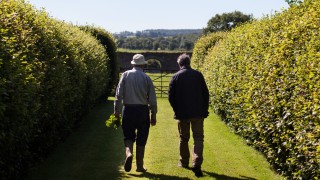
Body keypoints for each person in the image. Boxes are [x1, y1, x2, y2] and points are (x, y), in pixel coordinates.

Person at [114, 54, 157, 173]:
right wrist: (153, 114)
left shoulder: (125, 75)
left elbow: (118, 95)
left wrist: (116, 112)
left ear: (132, 64)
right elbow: (152, 100)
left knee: (128, 136)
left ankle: (129, 153)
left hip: (128, 110)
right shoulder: (146, 78)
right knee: (142, 137)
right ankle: (139, 166)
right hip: (142, 111)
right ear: (143, 65)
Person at [168, 53, 209, 177]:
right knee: (198, 138)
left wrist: (176, 109)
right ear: (189, 62)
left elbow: (171, 97)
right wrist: (204, 109)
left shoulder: (175, 76)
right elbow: (205, 94)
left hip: (182, 114)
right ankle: (196, 162)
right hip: (197, 113)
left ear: (180, 64)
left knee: (184, 138)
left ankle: (184, 162)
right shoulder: (198, 75)